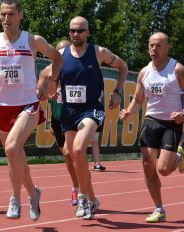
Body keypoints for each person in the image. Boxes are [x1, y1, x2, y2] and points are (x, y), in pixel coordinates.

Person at [0, 0, 62, 221]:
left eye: (11, 14)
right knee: (17, 158)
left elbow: (58, 57)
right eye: (2, 14)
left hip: (27, 105)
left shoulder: (33, 40)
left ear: (21, 15)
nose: (6, 19)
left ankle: (15, 199)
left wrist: (48, 83)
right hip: (1, 108)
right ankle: (33, 193)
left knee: (12, 149)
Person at [58, 16, 128, 220]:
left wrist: (117, 91)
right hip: (69, 111)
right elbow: (48, 75)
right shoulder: (61, 54)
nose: (76, 34)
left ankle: (81, 197)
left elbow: (122, 67)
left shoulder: (98, 52)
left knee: (79, 149)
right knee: (72, 155)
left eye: (80, 31)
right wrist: (47, 87)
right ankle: (92, 199)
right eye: (72, 30)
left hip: (91, 109)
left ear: (88, 32)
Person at [119, 32, 184, 223]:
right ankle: (159, 209)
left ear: (167, 48)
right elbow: (138, 99)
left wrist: (182, 114)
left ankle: (179, 155)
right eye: (151, 45)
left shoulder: (177, 69)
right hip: (151, 120)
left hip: (172, 123)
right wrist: (129, 111)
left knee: (163, 169)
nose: (153, 49)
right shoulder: (144, 72)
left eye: (158, 45)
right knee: (148, 164)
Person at [39, 39, 79, 206]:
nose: (62, 55)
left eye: (65, 52)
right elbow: (40, 94)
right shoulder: (48, 73)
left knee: (72, 154)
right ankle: (76, 186)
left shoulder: (76, 71)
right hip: (57, 120)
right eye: (59, 52)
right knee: (67, 157)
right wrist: (48, 95)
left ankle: (80, 190)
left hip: (75, 118)